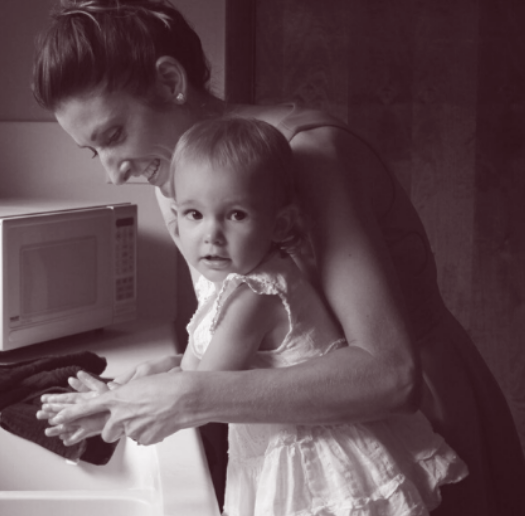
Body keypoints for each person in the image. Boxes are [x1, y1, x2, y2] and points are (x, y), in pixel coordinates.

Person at [32, 0, 525, 514]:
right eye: (92, 151)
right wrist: (159, 378)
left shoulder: (306, 157)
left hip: (417, 439)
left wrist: (187, 396)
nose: (113, 172)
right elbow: (281, 335)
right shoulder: (174, 177)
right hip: (306, 452)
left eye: (113, 136)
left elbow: (389, 375)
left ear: (171, 81)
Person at [171, 116, 469, 514]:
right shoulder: (229, 283)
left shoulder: (256, 295)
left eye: (236, 215)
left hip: (318, 467)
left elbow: (197, 389)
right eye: (194, 214)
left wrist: (114, 405)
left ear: (279, 225)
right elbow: (190, 368)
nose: (211, 234)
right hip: (295, 451)